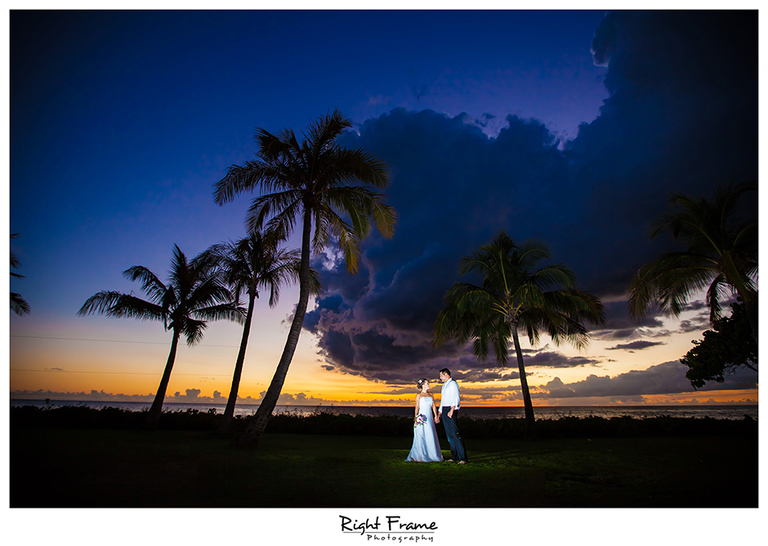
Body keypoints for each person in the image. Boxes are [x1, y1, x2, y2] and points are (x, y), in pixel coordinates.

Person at [404, 378, 444, 462]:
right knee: (421, 435)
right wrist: (416, 418)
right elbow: (417, 407)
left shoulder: (431, 394)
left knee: (430, 434)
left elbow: (433, 405)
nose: (428, 384)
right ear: (422, 385)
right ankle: (421, 454)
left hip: (429, 417)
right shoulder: (418, 395)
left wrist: (436, 416)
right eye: (427, 383)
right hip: (422, 417)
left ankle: (432, 453)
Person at [437, 368, 467, 464]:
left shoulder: (453, 384)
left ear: (446, 375)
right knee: (449, 436)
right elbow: (443, 400)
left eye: (441, 375)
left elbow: (456, 397)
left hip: (451, 409)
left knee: (455, 434)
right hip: (445, 409)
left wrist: (452, 410)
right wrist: (439, 413)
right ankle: (454, 457)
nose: (440, 377)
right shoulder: (444, 386)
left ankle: (463, 458)